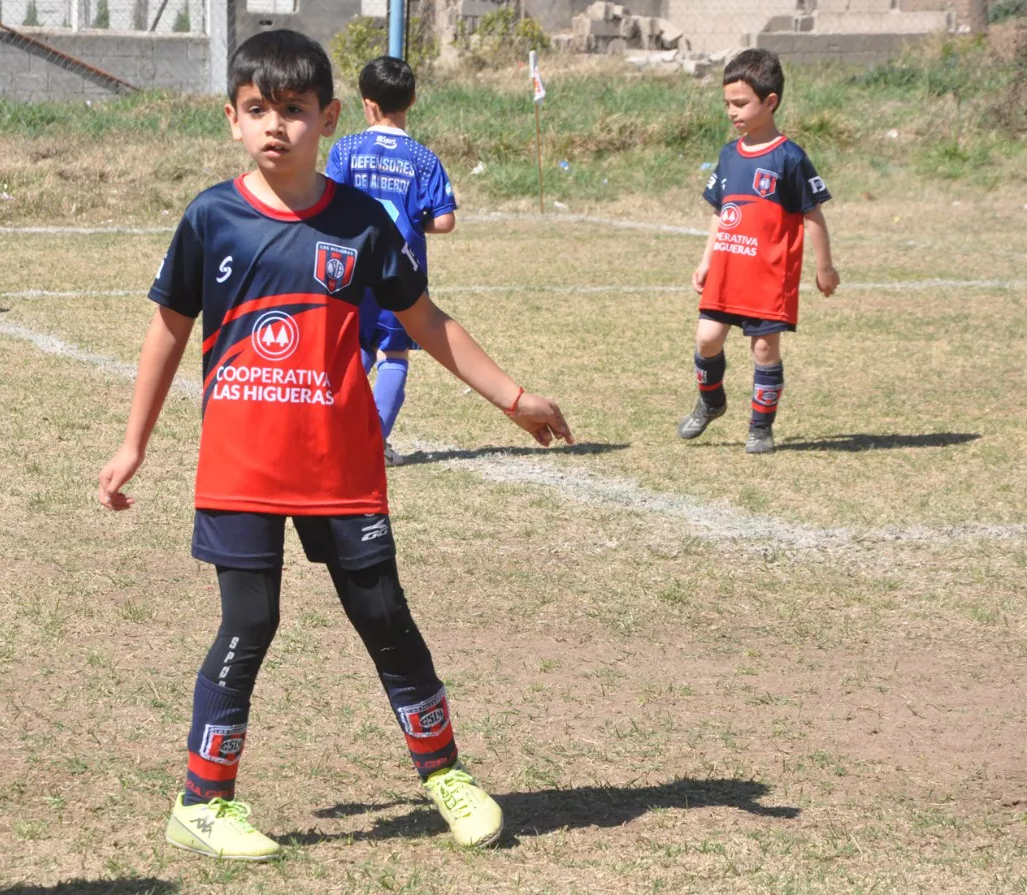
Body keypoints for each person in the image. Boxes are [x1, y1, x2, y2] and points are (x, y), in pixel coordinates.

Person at [97, 29, 572, 862]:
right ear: (232, 118)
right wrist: (134, 442)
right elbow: (167, 332)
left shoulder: (360, 223)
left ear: (330, 118)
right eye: (256, 110)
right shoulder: (212, 217)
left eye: (293, 110)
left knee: (385, 614)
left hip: (339, 464)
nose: (275, 126)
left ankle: (447, 778)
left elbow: (427, 322)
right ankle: (202, 802)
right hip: (242, 466)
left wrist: (514, 398)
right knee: (251, 617)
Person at [678, 48, 838, 454]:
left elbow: (813, 214)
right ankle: (712, 402)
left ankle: (760, 428)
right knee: (707, 339)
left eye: (740, 103)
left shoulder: (790, 157)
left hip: (769, 275)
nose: (732, 112)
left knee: (764, 348)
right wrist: (706, 260)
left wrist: (825, 268)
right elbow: (721, 213)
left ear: (770, 102)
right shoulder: (729, 156)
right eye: (727, 104)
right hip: (728, 271)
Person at [325, 55, 457, 467]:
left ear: (366, 103)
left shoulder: (345, 149)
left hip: (353, 269)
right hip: (401, 273)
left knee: (354, 350)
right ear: (412, 100)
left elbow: (328, 204)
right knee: (394, 356)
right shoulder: (423, 159)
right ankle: (371, 444)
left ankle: (324, 425)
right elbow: (445, 221)